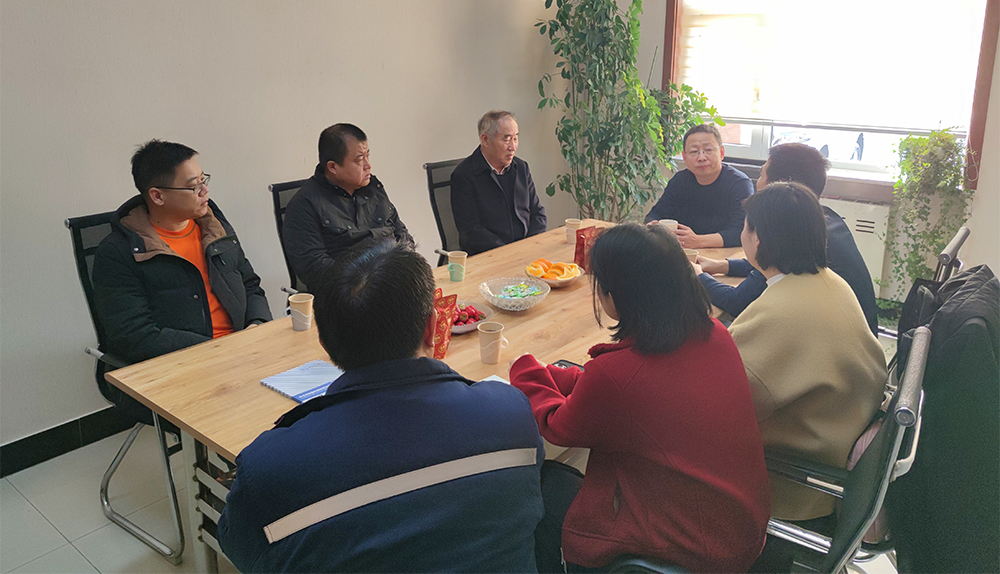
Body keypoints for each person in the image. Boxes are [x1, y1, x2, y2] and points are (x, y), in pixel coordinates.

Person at [218, 239, 544, 573]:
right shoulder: (510, 414)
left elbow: (240, 549)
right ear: (433, 327)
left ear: (324, 343)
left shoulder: (269, 468)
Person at [510, 223, 771, 573]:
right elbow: (624, 389)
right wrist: (555, 375)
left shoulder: (616, 375)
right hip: (739, 532)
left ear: (617, 296)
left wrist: (524, 370)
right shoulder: (716, 335)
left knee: (536, 487)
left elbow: (558, 425)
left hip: (691, 552)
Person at [728, 182, 887, 529]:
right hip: (835, 438)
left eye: (745, 226)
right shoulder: (830, 281)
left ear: (758, 240)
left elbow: (721, 406)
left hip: (793, 481)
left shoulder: (778, 313)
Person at [93, 140, 271, 364]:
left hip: (242, 351)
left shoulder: (215, 228)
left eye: (204, 180)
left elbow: (250, 284)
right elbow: (134, 335)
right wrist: (217, 350)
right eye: (194, 186)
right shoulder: (118, 252)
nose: (205, 190)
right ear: (158, 196)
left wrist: (257, 324)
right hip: (184, 363)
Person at [697, 143, 880, 332]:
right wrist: (722, 265)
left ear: (780, 186)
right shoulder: (822, 218)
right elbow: (767, 264)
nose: (757, 183)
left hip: (826, 342)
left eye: (761, 175)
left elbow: (737, 302)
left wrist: (697, 276)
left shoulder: (789, 233)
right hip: (852, 337)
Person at [283, 123, 412, 291]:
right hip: (350, 296)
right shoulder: (304, 204)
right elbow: (316, 271)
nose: (368, 165)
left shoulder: (373, 188)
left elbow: (402, 234)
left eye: (368, 156)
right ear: (333, 167)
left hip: (393, 285)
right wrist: (372, 282)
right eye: (359, 159)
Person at [451, 110, 547, 255]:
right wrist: (509, 252)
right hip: (488, 256)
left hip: (526, 252)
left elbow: (537, 213)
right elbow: (470, 231)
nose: (513, 147)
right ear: (485, 140)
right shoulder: (464, 176)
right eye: (507, 139)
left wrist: (529, 246)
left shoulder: (521, 168)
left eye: (515, 138)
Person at [644, 123, 753, 248]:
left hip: (725, 255)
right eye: (694, 151)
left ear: (721, 152)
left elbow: (742, 232)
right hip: (684, 252)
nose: (701, 157)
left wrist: (698, 241)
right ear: (684, 157)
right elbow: (655, 214)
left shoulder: (739, 184)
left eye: (708, 150)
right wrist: (652, 226)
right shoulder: (680, 181)